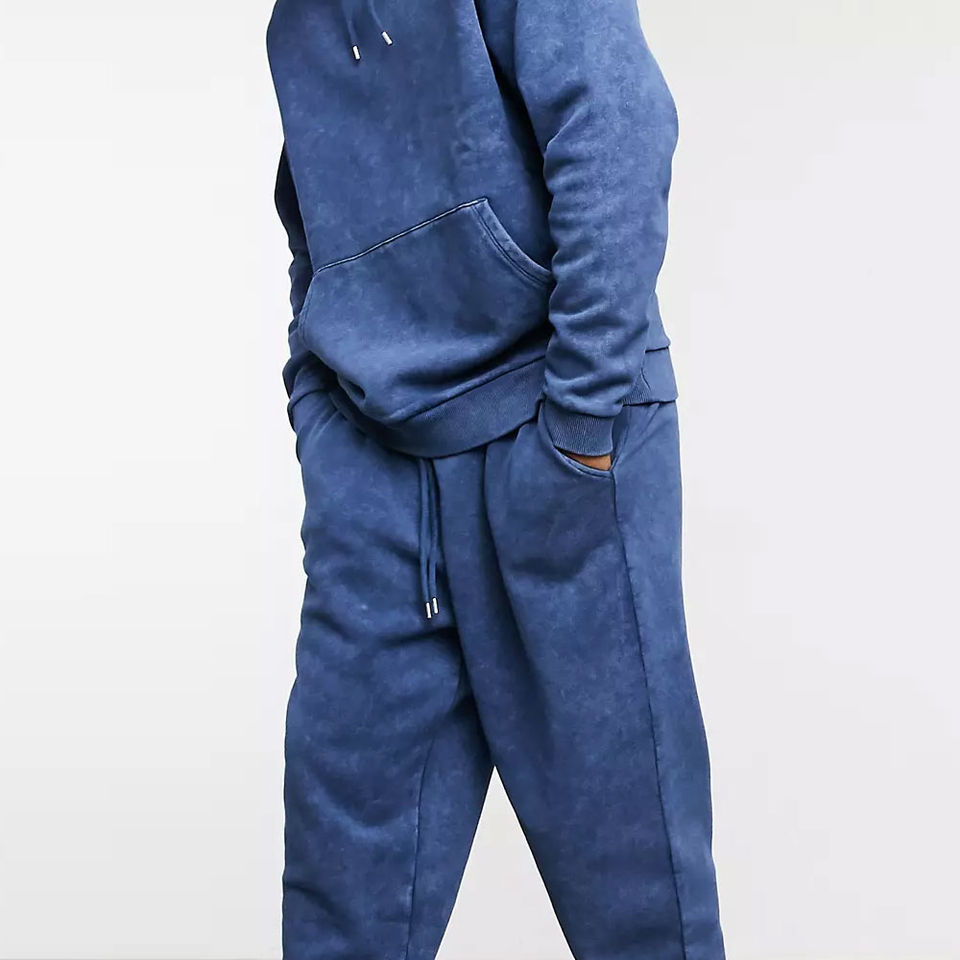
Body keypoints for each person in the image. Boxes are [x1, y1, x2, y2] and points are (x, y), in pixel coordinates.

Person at [267, 0, 724, 957]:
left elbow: (617, 126)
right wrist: (319, 407)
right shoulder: (292, 26)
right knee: (338, 914)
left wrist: (583, 430)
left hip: (554, 440)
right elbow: (315, 229)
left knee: (640, 909)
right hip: (376, 478)